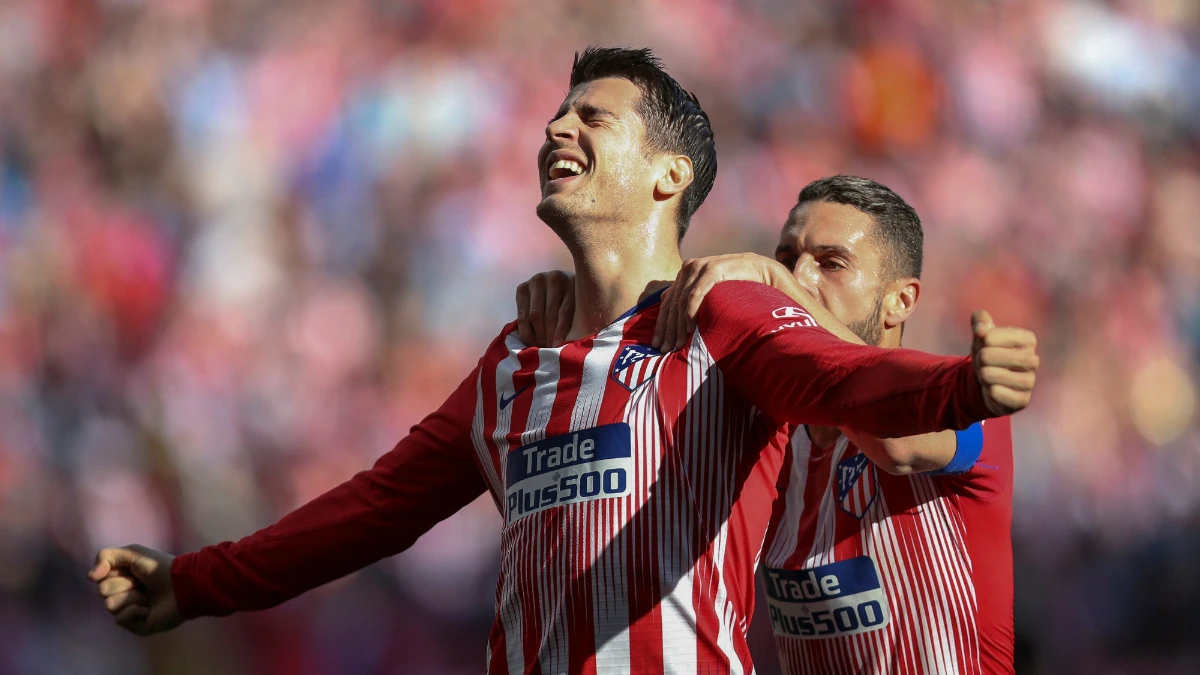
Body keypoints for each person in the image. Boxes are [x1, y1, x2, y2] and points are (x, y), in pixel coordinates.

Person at [91, 50, 1034, 674]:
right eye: (555, 114)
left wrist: (961, 383)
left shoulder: (723, 322)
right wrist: (194, 582)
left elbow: (841, 381)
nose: (556, 130)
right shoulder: (517, 359)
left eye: (594, 116)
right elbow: (371, 512)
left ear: (671, 175)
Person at [517, 175, 1028, 674]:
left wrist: (778, 285)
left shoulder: (958, 408)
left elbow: (896, 444)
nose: (801, 277)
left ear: (901, 301)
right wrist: (581, 300)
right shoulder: (771, 437)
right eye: (788, 259)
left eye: (831, 264)